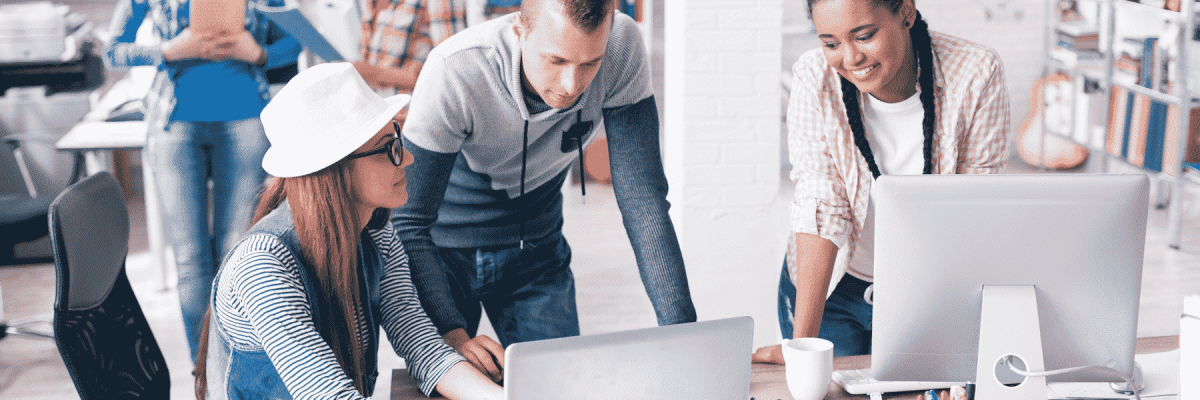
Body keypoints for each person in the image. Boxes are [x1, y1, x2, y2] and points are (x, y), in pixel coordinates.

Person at [393, 0, 697, 379]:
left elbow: (643, 199)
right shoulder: (457, 68)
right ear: (520, 28)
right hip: (443, 254)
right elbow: (408, 220)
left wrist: (684, 333)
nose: (572, 86)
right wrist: (449, 332)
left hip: (536, 248)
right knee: (448, 386)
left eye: (590, 64)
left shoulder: (620, 45)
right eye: (556, 61)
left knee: (559, 385)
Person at [193, 63, 503, 400]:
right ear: (335, 169)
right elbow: (328, 394)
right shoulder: (263, 265)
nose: (409, 158)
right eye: (390, 148)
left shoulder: (378, 238)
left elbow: (426, 350)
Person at [752, 0, 1010, 362]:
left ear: (905, 11)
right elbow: (820, 204)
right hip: (830, 291)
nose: (851, 58)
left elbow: (975, 208)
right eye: (831, 43)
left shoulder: (974, 72)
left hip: (923, 293)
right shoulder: (815, 78)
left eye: (865, 36)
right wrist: (802, 348)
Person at [102, 0, 301, 360]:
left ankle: (231, 369)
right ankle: (204, 374)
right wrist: (168, 51)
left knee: (236, 252)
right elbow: (112, 51)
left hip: (246, 122)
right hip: (175, 125)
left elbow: (295, 41)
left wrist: (258, 54)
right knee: (191, 259)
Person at [353, 0, 467, 93]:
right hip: (381, 114)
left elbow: (455, 72)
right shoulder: (371, 3)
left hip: (415, 114)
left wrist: (377, 74)